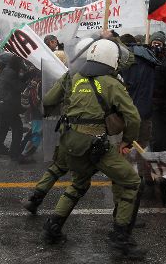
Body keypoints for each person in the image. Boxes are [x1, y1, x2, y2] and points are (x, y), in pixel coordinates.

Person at [40, 39, 145, 259]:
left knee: (78, 184)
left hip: (70, 140)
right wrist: (128, 140)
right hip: (95, 143)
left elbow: (49, 100)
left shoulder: (76, 78)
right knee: (131, 182)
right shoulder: (112, 83)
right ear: (110, 60)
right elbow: (133, 117)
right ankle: (120, 239)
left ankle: (52, 229)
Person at [0, 54, 27, 159]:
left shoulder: (7, 70)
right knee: (18, 128)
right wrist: (28, 82)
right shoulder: (11, 73)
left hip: (2, 104)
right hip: (8, 106)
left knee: (2, 128)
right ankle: (14, 153)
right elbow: (19, 87)